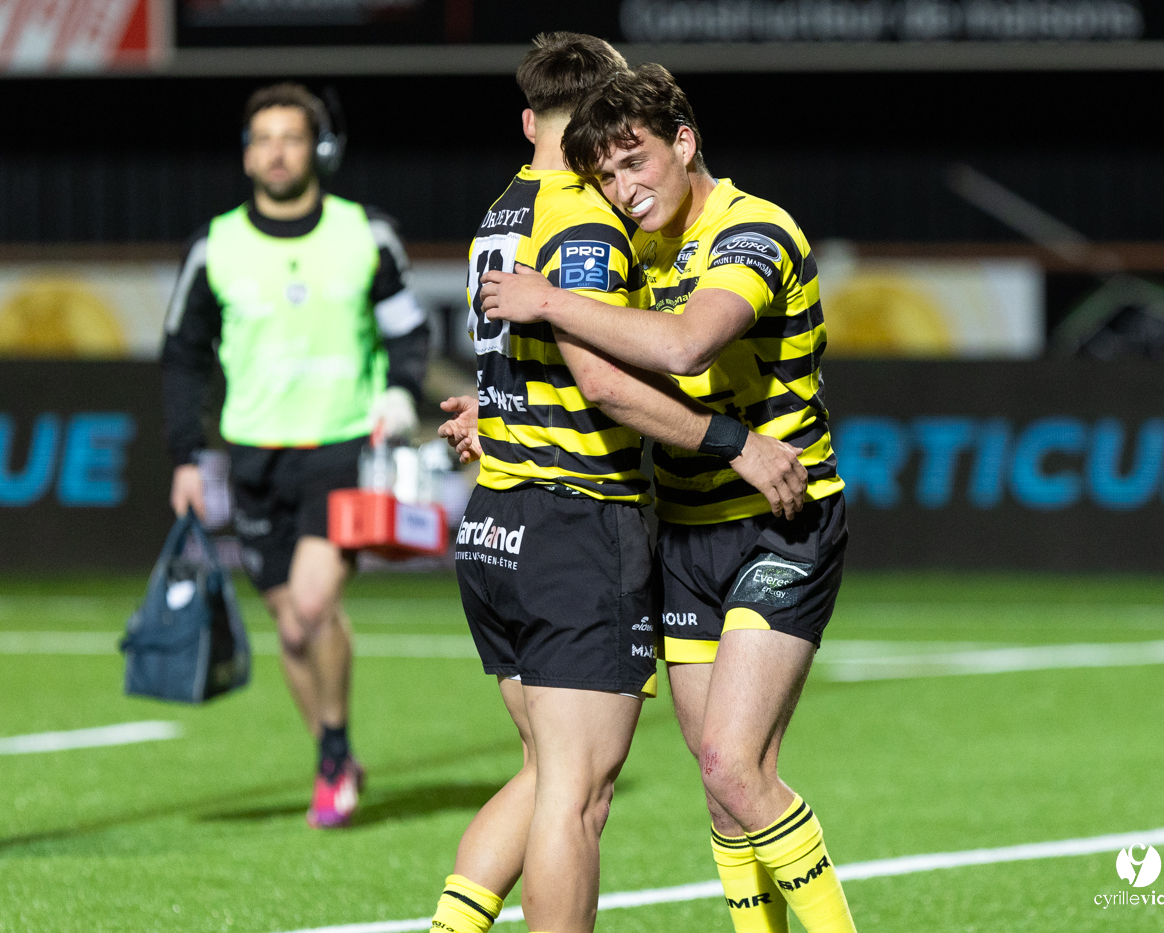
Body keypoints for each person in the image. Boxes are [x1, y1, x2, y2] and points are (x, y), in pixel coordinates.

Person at [480, 65, 856, 933]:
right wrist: (499, 411)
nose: (623, 188)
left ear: (684, 143)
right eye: (606, 174)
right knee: (723, 788)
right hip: (685, 533)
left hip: (780, 522)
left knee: (732, 763)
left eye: (636, 161)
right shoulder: (635, 243)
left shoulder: (752, 229)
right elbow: (606, 378)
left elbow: (687, 346)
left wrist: (548, 299)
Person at [428, 33, 774, 933]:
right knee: (577, 794)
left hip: (495, 524)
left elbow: (523, 360)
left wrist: (490, 415)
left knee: (550, 770)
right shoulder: (582, 213)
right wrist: (731, 438)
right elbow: (603, 380)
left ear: (528, 118)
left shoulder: (502, 209)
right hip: (572, 523)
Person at [160, 82, 429, 829]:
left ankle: (333, 755)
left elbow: (408, 330)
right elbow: (181, 357)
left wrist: (401, 394)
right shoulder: (215, 246)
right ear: (247, 154)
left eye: (291, 136)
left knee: (312, 607)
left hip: (342, 444)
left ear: (320, 149)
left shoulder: (364, 234)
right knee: (288, 626)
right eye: (262, 137)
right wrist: (187, 453)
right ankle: (334, 752)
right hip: (251, 453)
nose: (276, 150)